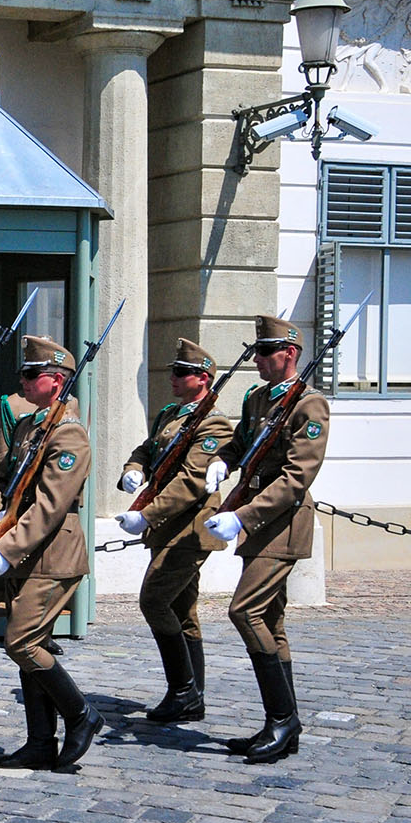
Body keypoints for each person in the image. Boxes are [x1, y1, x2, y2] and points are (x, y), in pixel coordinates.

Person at [201, 314, 330, 765]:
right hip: (257, 522)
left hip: (282, 523)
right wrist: (222, 461)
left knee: (245, 610)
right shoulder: (259, 398)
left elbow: (296, 477)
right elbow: (241, 444)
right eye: (255, 350)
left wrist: (241, 516)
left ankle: (282, 718)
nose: (256, 358)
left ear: (289, 354)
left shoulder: (309, 406)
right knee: (271, 623)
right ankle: (283, 724)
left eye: (263, 351)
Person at [0, 335, 100, 772]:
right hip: (24, 552)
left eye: (31, 374)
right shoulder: (31, 426)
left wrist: (6, 550)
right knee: (33, 644)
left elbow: (50, 505)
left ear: (56, 380)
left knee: (21, 642)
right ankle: (40, 743)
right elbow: (1, 472)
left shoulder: (70, 435)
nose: (22, 381)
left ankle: (81, 714)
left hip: (51, 556)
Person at [112, 339, 233, 724]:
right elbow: (147, 450)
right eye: (173, 371)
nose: (173, 379)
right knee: (182, 610)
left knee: (154, 600)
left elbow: (191, 481)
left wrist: (146, 514)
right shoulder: (171, 414)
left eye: (181, 373)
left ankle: (183, 690)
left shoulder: (213, 423)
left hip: (190, 528)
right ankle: (191, 695)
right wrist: (133, 468)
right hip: (167, 528)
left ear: (203, 378)